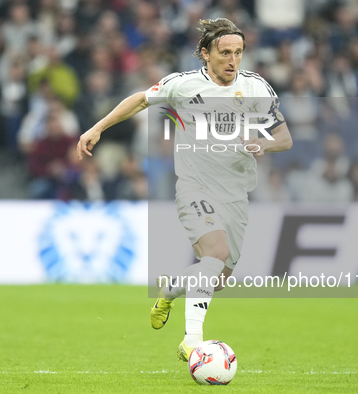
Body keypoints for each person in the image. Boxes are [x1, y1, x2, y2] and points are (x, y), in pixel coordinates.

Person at [76, 18, 292, 362]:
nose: (232, 60)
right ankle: (192, 343)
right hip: (195, 187)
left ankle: (171, 289)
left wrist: (263, 142)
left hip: (235, 194)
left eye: (238, 52)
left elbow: (284, 137)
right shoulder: (184, 84)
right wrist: (97, 127)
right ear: (206, 54)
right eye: (224, 53)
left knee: (217, 277)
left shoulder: (256, 89)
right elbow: (139, 100)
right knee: (215, 253)